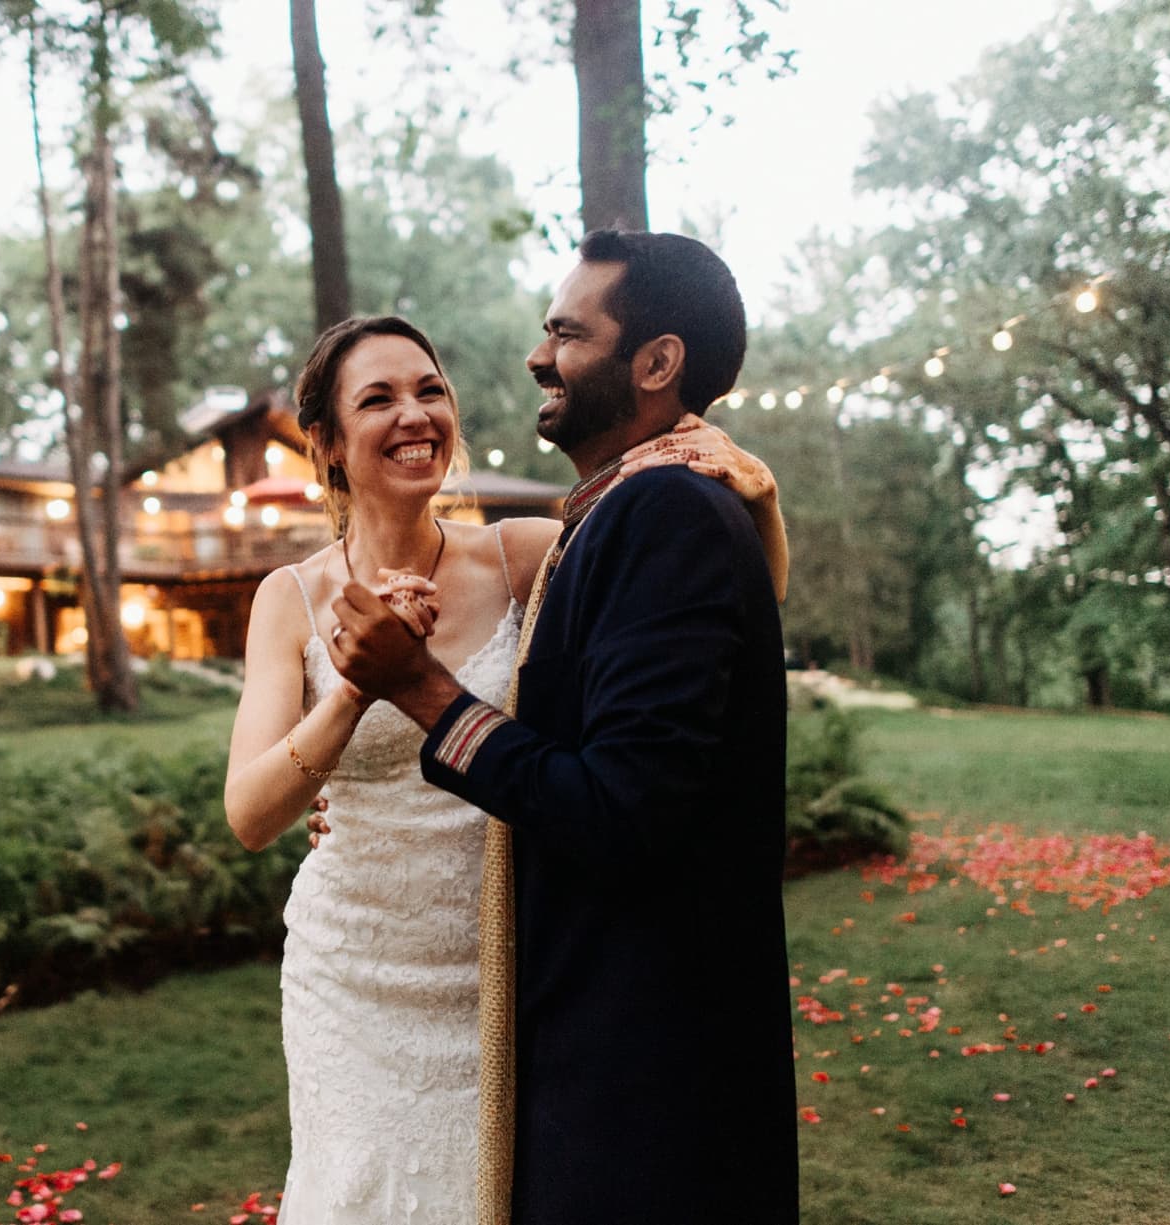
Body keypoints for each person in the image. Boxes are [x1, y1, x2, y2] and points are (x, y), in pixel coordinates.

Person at [225, 307, 788, 1223]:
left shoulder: (522, 553)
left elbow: (702, 608)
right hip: (352, 968)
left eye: (430, 389)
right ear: (326, 443)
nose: (415, 414)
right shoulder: (287, 599)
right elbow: (250, 813)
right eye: (378, 399)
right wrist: (357, 691)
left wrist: (753, 504)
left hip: (502, 956)